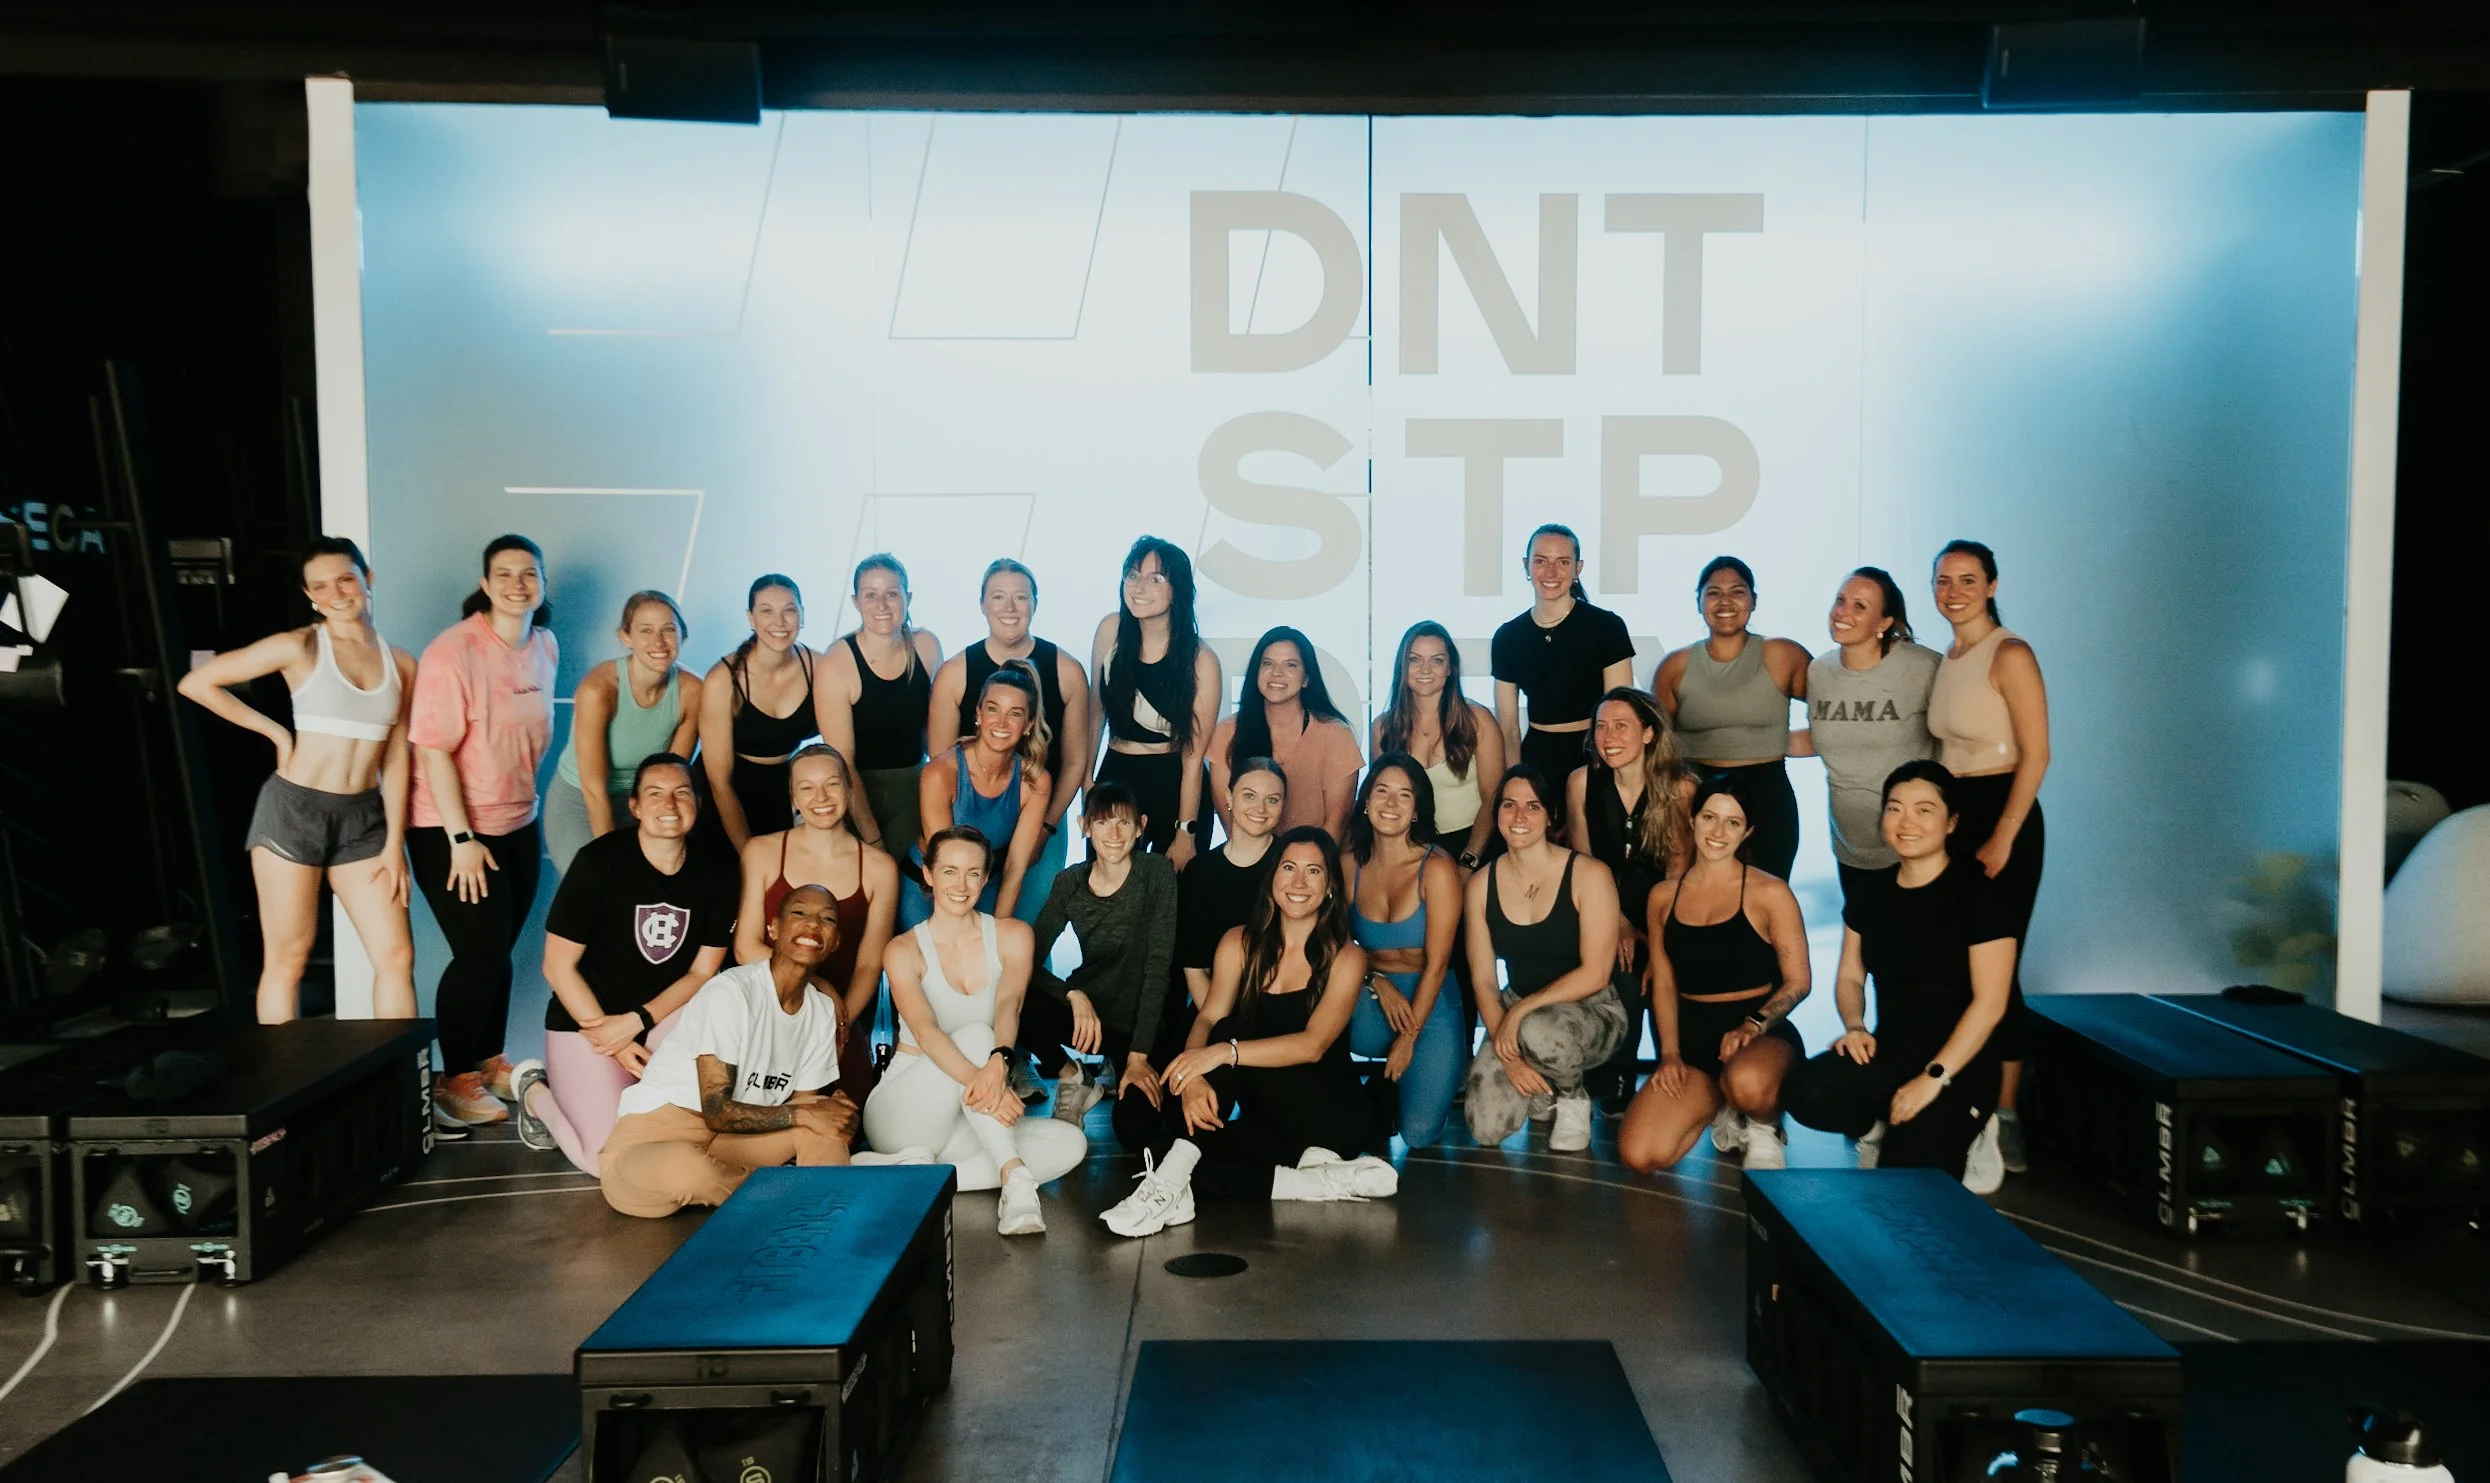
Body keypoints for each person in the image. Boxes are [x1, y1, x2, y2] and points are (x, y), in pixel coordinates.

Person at [1098, 828, 1398, 1236]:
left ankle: (1165, 1187)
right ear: (1272, 876)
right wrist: (1193, 1078)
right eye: (1289, 868)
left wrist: (1224, 1054)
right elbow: (1206, 1017)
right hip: (1268, 1114)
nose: (1297, 882)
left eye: (1313, 872)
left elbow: (1313, 1046)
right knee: (1192, 1163)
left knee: (1229, 1036)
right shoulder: (1238, 942)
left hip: (1326, 1113)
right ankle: (1313, 1183)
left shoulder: (1346, 956)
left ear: (1329, 887)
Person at [176, 536, 418, 1025]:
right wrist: (274, 733)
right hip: (293, 813)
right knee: (288, 960)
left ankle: (398, 1089)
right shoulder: (300, 645)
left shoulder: (402, 663)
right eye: (321, 586)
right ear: (310, 596)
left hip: (363, 819)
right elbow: (196, 683)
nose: (337, 593)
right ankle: (287, 1092)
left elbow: (396, 758)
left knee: (396, 959)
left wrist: (395, 842)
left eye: (346, 579)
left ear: (367, 581)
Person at [1781, 761, 2016, 1187]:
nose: (1906, 822)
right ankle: (1877, 1131)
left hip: (1959, 1068)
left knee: (1907, 1189)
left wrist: (1934, 1078)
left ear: (1951, 822)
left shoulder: (1980, 894)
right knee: (1805, 1090)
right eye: (1895, 808)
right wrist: (1853, 1025)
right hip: (1890, 1053)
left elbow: (1991, 1003)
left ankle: (1976, 1130)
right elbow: (1851, 976)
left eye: (1924, 810)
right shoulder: (1870, 893)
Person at [508, 754, 735, 1175]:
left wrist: (635, 1023)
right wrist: (612, 1036)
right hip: (587, 1022)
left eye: (681, 793)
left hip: (660, 1017)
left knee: (683, 1137)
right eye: (655, 794)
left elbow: (703, 973)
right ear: (634, 807)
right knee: (605, 1162)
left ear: (697, 804)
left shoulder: (718, 871)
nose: (669, 804)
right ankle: (536, 1094)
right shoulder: (599, 862)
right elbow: (557, 967)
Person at [860, 827, 1088, 1234]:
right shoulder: (903, 950)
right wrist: (992, 1075)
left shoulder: (1013, 936)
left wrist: (998, 1065)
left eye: (972, 873)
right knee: (977, 1038)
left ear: (985, 879)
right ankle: (1015, 1179)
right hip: (903, 1113)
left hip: (968, 1115)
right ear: (928, 876)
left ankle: (913, 1175)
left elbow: (1009, 1004)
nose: (960, 885)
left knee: (1072, 1145)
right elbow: (927, 1033)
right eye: (949, 871)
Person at [406, 534, 559, 1131]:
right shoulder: (454, 651)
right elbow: (434, 751)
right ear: (485, 582)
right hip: (450, 830)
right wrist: (462, 840)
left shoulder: (545, 644)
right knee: (478, 953)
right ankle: (453, 1082)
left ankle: (488, 1062)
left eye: (529, 573)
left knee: (499, 955)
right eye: (505, 573)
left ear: (542, 584)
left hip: (517, 821)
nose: (518, 584)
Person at [598, 884, 857, 1217]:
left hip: (731, 1144)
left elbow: (801, 1107)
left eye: (828, 919)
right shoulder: (731, 992)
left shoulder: (821, 1011)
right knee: (689, 1169)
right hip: (653, 1140)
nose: (812, 925)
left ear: (835, 941)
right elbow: (716, 1110)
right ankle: (802, 1205)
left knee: (825, 1127)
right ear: (774, 928)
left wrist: (836, 1115)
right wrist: (808, 1113)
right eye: (799, 913)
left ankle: (825, 1222)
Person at [1927, 539, 2049, 1177]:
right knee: (1959, 965)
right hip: (1957, 816)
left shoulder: (2011, 653)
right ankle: (1964, 1104)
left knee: (1999, 972)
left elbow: (2037, 754)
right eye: (1943, 580)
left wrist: (2003, 833)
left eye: (1967, 580)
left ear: (1993, 585)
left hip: (2004, 812)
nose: (1954, 591)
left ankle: (2005, 1118)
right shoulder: (1949, 657)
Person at [1617, 777, 1811, 1173]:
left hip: (1760, 1033)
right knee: (1639, 1154)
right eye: (1709, 817)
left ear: (1748, 830)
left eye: (1733, 822)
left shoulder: (1770, 893)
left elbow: (1799, 982)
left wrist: (1752, 1026)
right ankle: (1722, 1105)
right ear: (1693, 819)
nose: (1718, 832)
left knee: (1749, 1084)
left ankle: (1762, 1123)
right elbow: (1665, 984)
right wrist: (1669, 1054)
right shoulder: (1663, 896)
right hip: (1694, 1039)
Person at [1461, 765, 1629, 1154]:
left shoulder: (1589, 874)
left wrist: (1520, 1015)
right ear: (1497, 813)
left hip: (1592, 1011)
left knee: (1537, 1028)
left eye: (1532, 806)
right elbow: (1484, 980)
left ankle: (1572, 1098)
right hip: (1520, 1011)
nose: (1519, 817)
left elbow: (1597, 972)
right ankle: (1543, 1081)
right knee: (1486, 1127)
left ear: (1551, 816)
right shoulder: (1481, 885)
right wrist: (1512, 1055)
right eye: (1509, 805)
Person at [925, 558, 1090, 923]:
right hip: (968, 817)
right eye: (998, 597)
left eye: (1020, 597)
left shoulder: (1067, 671)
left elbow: (1076, 760)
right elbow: (939, 758)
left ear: (1035, 603)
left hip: (1043, 809)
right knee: (967, 921)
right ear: (983, 604)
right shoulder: (954, 673)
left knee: (1029, 926)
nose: (1010, 608)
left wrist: (1046, 827)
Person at [1013, 782, 1181, 1132]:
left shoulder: (1155, 874)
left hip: (1141, 1030)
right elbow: (1026, 958)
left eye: (1124, 822)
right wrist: (1071, 994)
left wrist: (1138, 1058)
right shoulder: (1070, 882)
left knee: (1137, 1130)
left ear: (1141, 826)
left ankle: (1121, 1069)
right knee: (1011, 994)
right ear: (1084, 827)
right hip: (1090, 1017)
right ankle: (1073, 1076)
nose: (1115, 833)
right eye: (1103, 822)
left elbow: (1157, 969)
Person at [735, 744, 899, 1101]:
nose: (820, 797)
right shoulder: (761, 852)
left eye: (832, 784)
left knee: (844, 1125)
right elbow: (746, 946)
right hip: (767, 1012)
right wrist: (818, 986)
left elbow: (871, 964)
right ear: (793, 797)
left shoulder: (878, 868)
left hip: (838, 1016)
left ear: (850, 790)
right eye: (807, 787)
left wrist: (835, 1026)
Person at [1564, 688, 1696, 1113]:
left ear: (1649, 733)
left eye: (1621, 725)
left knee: (1650, 966)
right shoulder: (1581, 782)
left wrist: (1650, 938)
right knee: (1620, 963)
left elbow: (1676, 877)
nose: (1608, 735)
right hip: (1601, 905)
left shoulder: (1680, 788)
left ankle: (1668, 1070)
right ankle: (1616, 1072)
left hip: (1662, 908)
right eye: (1601, 726)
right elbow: (1584, 866)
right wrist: (1618, 922)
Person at [1789, 568, 1939, 913]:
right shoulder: (1820, 671)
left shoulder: (1922, 666)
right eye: (1840, 601)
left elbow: (1954, 732)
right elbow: (1827, 737)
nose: (1843, 612)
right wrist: (1747, 741)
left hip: (1913, 846)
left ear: (1883, 622)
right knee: (1869, 950)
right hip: (1850, 848)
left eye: (1860, 606)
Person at [1652, 556, 1809, 879]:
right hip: (1697, 797)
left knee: (1765, 897)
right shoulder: (1675, 667)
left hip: (1768, 796)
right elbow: (1656, 747)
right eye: (1713, 593)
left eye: (1737, 592)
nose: (1725, 601)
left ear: (1753, 600)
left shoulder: (1783, 655)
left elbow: (1840, 707)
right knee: (1698, 897)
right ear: (1698, 602)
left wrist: (1785, 742)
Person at [1343, 756, 1465, 1148]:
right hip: (1372, 992)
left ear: (1416, 810)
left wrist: (1408, 1038)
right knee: (1316, 1004)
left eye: (1404, 795)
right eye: (1382, 791)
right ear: (1366, 801)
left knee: (1418, 1135)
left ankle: (1402, 1090)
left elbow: (1439, 962)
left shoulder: (1438, 868)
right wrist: (1375, 979)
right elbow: (1334, 945)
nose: (1391, 804)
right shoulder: (1349, 865)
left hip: (1429, 999)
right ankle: (1344, 1100)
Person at [543, 591, 701, 876]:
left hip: (646, 800)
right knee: (597, 882)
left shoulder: (693, 691)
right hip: (581, 799)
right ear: (625, 637)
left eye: (669, 630)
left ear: (682, 635)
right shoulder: (599, 689)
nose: (659, 642)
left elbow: (669, 777)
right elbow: (594, 789)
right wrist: (612, 857)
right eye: (646, 631)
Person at [1088, 537, 1220, 865]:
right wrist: (1087, 786)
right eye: (1132, 575)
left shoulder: (1201, 660)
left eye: (1155, 579)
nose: (1139, 587)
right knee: (1106, 899)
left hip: (1175, 784)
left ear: (1179, 590)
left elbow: (1193, 756)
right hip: (1115, 775)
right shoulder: (1109, 630)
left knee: (1175, 905)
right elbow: (1094, 716)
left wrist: (1185, 830)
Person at [1490, 524, 1636, 815]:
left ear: (1577, 568)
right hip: (1538, 758)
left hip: (1595, 753)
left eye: (1563, 562)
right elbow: (1507, 727)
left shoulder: (1606, 627)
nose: (1551, 572)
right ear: (1526, 566)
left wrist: (1607, 768)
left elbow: (1622, 711)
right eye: (1541, 561)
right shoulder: (1508, 636)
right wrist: (1517, 781)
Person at [905, 661, 1055, 924]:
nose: (1002, 722)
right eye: (993, 709)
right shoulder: (940, 772)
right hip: (927, 889)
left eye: (1015, 714)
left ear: (1029, 724)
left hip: (985, 886)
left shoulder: (1035, 782)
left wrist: (994, 935)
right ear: (978, 714)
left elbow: (1015, 867)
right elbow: (943, 863)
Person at [817, 554, 941, 861]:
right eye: (871, 595)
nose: (882, 605)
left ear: (907, 598)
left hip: (913, 789)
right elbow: (842, 763)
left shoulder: (926, 647)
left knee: (911, 890)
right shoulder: (836, 663)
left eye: (892, 594)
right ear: (856, 601)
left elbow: (936, 736)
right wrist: (872, 840)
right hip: (856, 792)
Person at [1207, 627, 1362, 842]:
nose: (1277, 673)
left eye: (1290, 665)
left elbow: (1335, 825)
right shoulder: (1227, 731)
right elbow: (1229, 820)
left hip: (1313, 864)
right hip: (1249, 862)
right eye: (1268, 664)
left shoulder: (1336, 734)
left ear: (1306, 678)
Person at [699, 575, 818, 852]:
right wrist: (747, 852)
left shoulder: (817, 666)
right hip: (724, 797)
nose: (779, 622)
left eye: (789, 610)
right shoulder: (723, 680)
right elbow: (720, 783)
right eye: (767, 611)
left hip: (779, 790)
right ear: (750, 619)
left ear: (802, 615)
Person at [1372, 620, 1503, 868]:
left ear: (1450, 668)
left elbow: (1494, 798)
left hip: (1474, 846)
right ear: (1402, 666)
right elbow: (1377, 800)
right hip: (1409, 849)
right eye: (1414, 659)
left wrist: (1469, 860)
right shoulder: (1383, 728)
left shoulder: (1477, 720)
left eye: (1436, 660)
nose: (1425, 669)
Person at [1175, 758, 1286, 1015]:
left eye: (1272, 799)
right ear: (1229, 797)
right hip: (1216, 1007)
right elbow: (1194, 968)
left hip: (1284, 1007)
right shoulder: (1200, 872)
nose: (1260, 808)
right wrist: (1219, 1025)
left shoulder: (1291, 862)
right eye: (1249, 796)